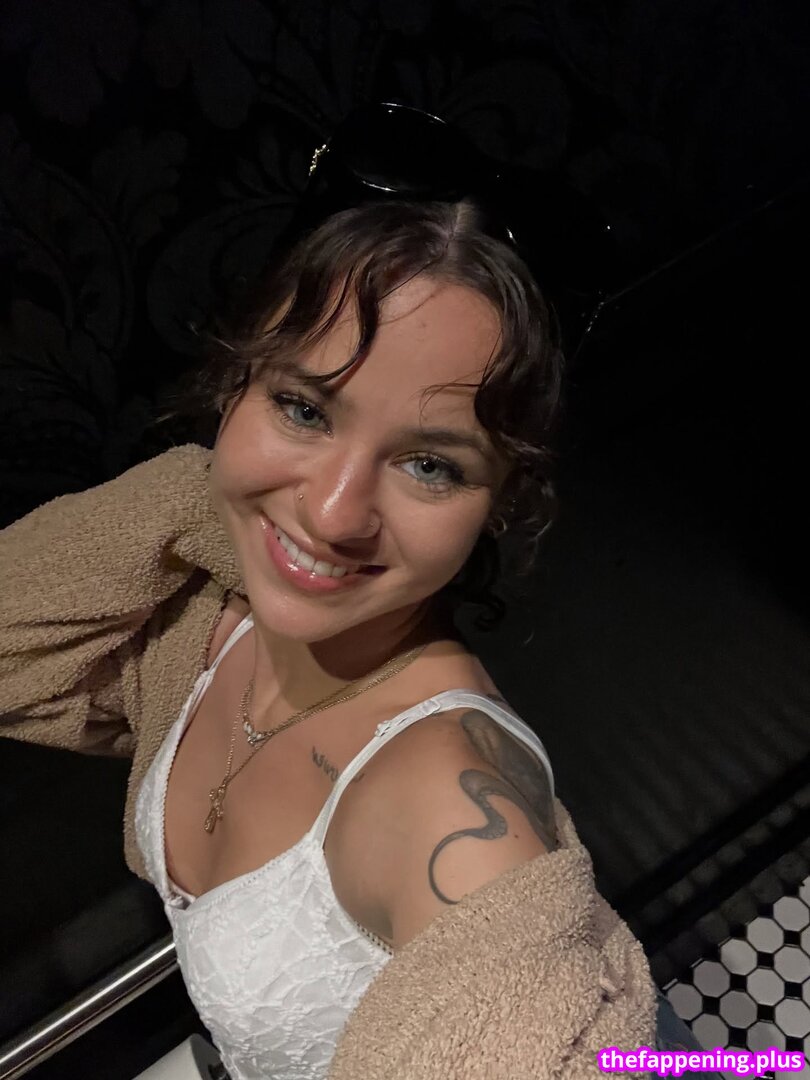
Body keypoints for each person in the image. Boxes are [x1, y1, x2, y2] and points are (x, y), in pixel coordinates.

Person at [0, 104, 717, 1080]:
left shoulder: (451, 819)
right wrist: (205, 499)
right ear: (236, 382)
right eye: (303, 408)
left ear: (501, 502)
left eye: (429, 465)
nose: (335, 513)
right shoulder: (205, 617)